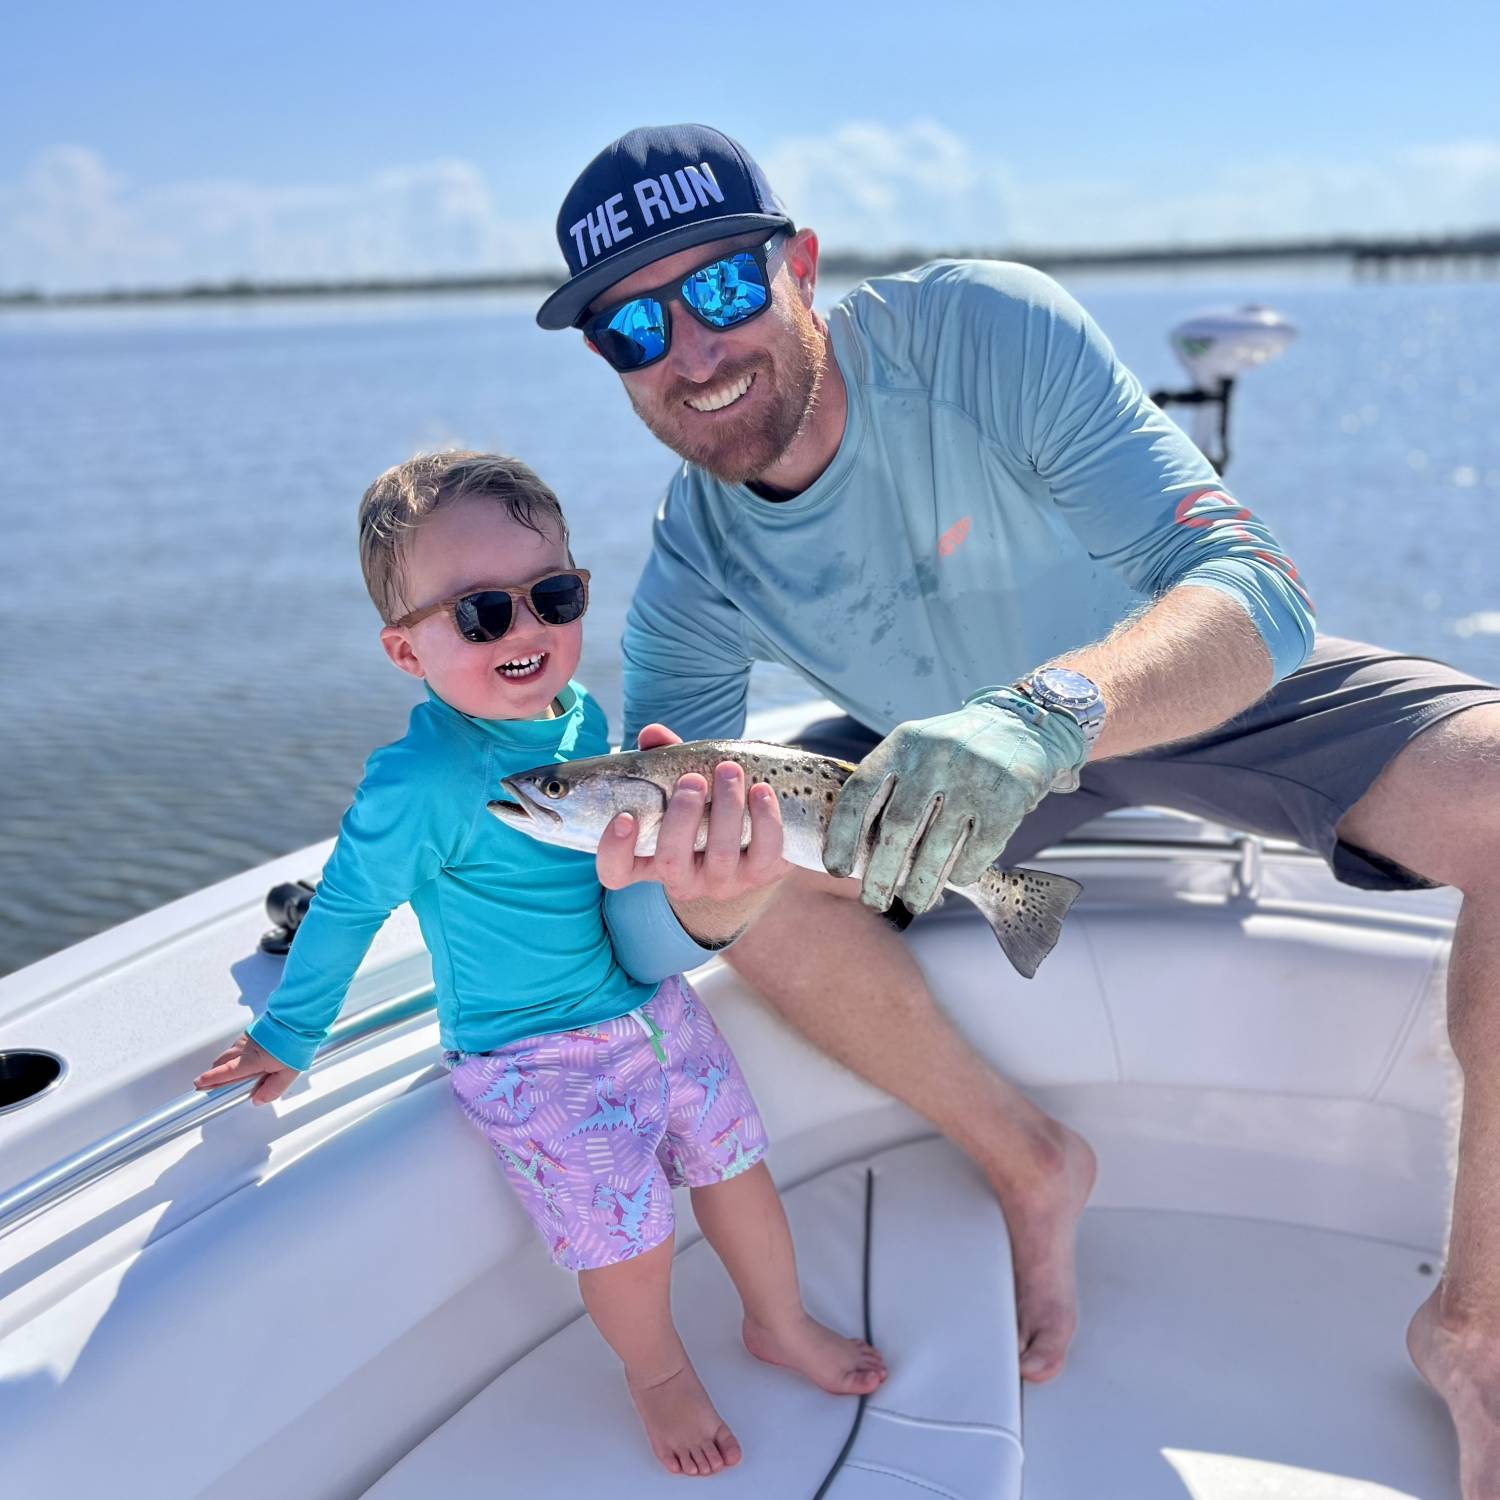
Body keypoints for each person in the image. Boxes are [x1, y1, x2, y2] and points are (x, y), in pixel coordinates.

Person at [539, 123, 1500, 1494]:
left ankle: (1476, 1329)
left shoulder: (975, 330)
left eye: (727, 291)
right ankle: (1031, 1160)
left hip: (1172, 679)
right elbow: (653, 934)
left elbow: (1261, 593)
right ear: (609, 362)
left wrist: (1043, 716)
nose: (692, 349)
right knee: (753, 896)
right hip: (925, 761)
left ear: (801, 266)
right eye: (635, 325)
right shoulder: (693, 565)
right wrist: (701, 894)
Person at [192, 451, 884, 1478]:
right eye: (480, 615)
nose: (525, 631)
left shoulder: (580, 723)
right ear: (404, 649)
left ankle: (777, 1322)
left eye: (550, 596)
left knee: (739, 1168)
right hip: (535, 1059)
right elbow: (347, 905)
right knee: (628, 1240)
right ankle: (657, 1378)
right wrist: (288, 1033)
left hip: (654, 1011)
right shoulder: (422, 779)